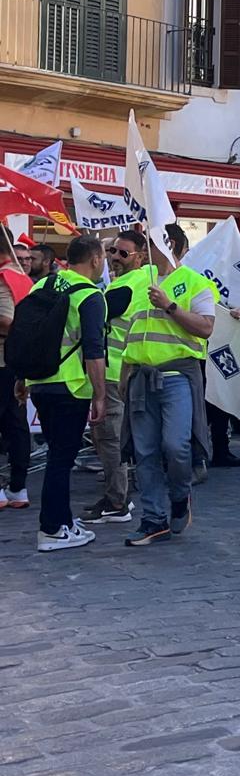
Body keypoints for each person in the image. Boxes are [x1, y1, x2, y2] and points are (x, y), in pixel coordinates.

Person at [120, 224, 216, 548]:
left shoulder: (195, 282)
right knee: (144, 452)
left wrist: (170, 306)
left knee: (176, 446)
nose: (144, 250)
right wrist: (124, 376)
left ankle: (179, 496)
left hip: (177, 378)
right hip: (139, 378)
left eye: (148, 243)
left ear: (168, 243)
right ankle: (152, 520)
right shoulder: (139, 283)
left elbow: (206, 328)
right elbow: (130, 334)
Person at [20, 234, 108, 551]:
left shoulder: (41, 286)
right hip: (71, 387)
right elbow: (94, 351)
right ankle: (52, 529)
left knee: (58, 455)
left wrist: (22, 379)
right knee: (61, 458)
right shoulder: (90, 295)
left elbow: (26, 335)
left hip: (39, 382)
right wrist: (100, 395)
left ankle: (64, 520)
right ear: (96, 259)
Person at [81, 230, 146, 524]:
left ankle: (116, 501)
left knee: (107, 438)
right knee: (110, 438)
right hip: (124, 369)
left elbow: (97, 316)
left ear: (140, 256)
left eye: (123, 253)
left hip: (112, 372)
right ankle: (117, 497)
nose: (115, 258)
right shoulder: (142, 279)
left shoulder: (125, 286)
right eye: (113, 252)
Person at [0, 229, 35, 509]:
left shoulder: (4, 277)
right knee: (16, 425)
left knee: (13, 425)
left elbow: (7, 320)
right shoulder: (22, 278)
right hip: (19, 361)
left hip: (3, 360)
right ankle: (17, 487)